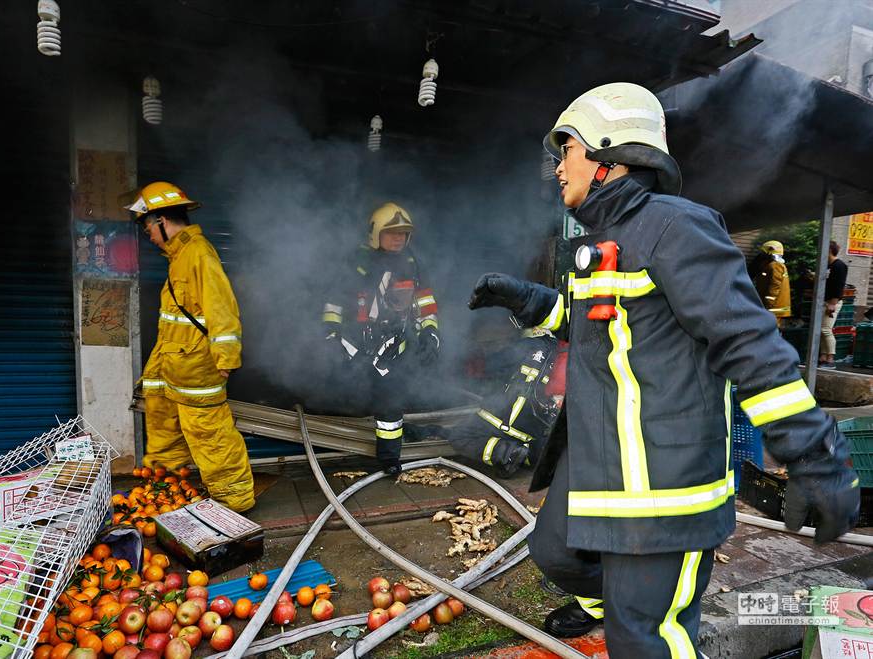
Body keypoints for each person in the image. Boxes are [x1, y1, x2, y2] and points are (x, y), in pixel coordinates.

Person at [468, 82, 859, 657]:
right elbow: (594, 325)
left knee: (646, 640)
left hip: (661, 487)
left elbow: (749, 343)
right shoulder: (609, 238)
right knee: (554, 554)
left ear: (607, 151)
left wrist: (814, 457)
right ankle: (622, 605)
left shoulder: (676, 228)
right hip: (601, 470)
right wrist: (526, 300)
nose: (557, 168)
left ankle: (637, 616)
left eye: (566, 150)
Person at [126, 181, 255, 512]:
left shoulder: (198, 253)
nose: (149, 236)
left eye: (148, 228)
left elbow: (221, 307)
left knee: (211, 435)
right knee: (175, 428)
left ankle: (234, 502)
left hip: (198, 370)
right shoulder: (179, 256)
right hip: (178, 368)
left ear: (162, 221)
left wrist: (226, 357)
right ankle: (169, 486)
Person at [322, 202, 440, 474]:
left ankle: (389, 459)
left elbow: (425, 303)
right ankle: (337, 449)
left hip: (392, 346)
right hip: (355, 344)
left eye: (404, 233)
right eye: (392, 232)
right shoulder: (356, 263)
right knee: (348, 396)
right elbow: (334, 303)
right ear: (376, 233)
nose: (399, 238)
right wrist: (330, 335)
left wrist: (431, 332)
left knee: (391, 400)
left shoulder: (412, 265)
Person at [447, 329, 565, 478]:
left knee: (459, 436)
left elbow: (488, 368)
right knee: (536, 447)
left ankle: (507, 453)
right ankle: (531, 454)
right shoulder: (562, 354)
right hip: (537, 430)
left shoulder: (525, 346)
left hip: (505, 421)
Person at [820, 240, 849, 369]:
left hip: (832, 302)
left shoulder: (839, 266)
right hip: (826, 301)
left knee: (826, 329)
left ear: (829, 250)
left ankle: (830, 359)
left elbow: (839, 286)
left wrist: (832, 303)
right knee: (821, 330)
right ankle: (823, 357)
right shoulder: (830, 266)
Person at [753, 240, 792, 325]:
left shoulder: (775, 265)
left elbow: (775, 285)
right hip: (773, 306)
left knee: (770, 329)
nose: (762, 254)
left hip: (773, 307)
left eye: (764, 252)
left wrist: (768, 303)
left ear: (770, 252)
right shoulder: (772, 265)